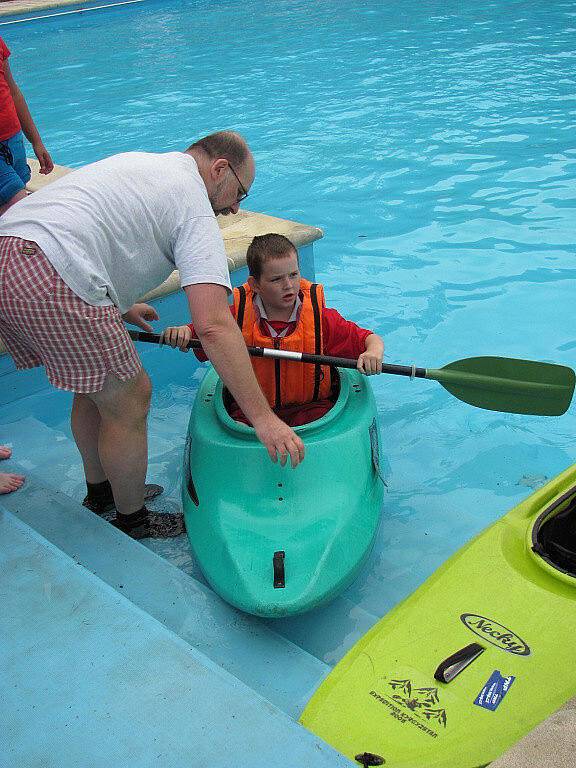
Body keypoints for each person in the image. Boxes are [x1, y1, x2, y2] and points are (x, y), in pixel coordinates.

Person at [0, 132, 304, 540]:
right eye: (239, 193)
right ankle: (133, 520)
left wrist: (118, 303)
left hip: (10, 250)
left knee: (92, 386)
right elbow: (213, 325)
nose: (234, 208)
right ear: (219, 169)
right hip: (49, 271)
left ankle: (102, 493)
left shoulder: (142, 162)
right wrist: (264, 420)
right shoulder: (193, 205)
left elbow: (86, 226)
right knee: (130, 396)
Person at [162, 233, 385, 426]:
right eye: (276, 279)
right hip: (250, 413)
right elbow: (201, 331)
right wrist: (182, 332)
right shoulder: (234, 318)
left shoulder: (321, 320)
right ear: (255, 284)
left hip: (312, 410)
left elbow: (370, 339)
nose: (288, 285)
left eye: (293, 275)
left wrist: (373, 353)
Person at [0, 36, 53, 215]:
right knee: (21, 211)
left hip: (13, 141)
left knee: (11, 212)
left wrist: (36, 141)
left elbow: (13, 91)